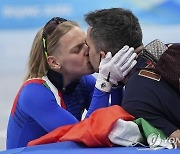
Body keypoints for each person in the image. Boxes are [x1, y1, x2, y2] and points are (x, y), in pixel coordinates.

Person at [6, 17, 137, 149]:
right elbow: (85, 136)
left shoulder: (83, 82)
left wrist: (116, 84)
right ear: (54, 62)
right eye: (77, 49)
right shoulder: (34, 93)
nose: (88, 51)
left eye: (86, 43)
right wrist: (104, 83)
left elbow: (114, 122)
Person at [84, 8, 180, 147]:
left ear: (103, 57)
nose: (85, 50)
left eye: (88, 45)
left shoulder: (135, 100)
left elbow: (177, 140)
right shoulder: (171, 49)